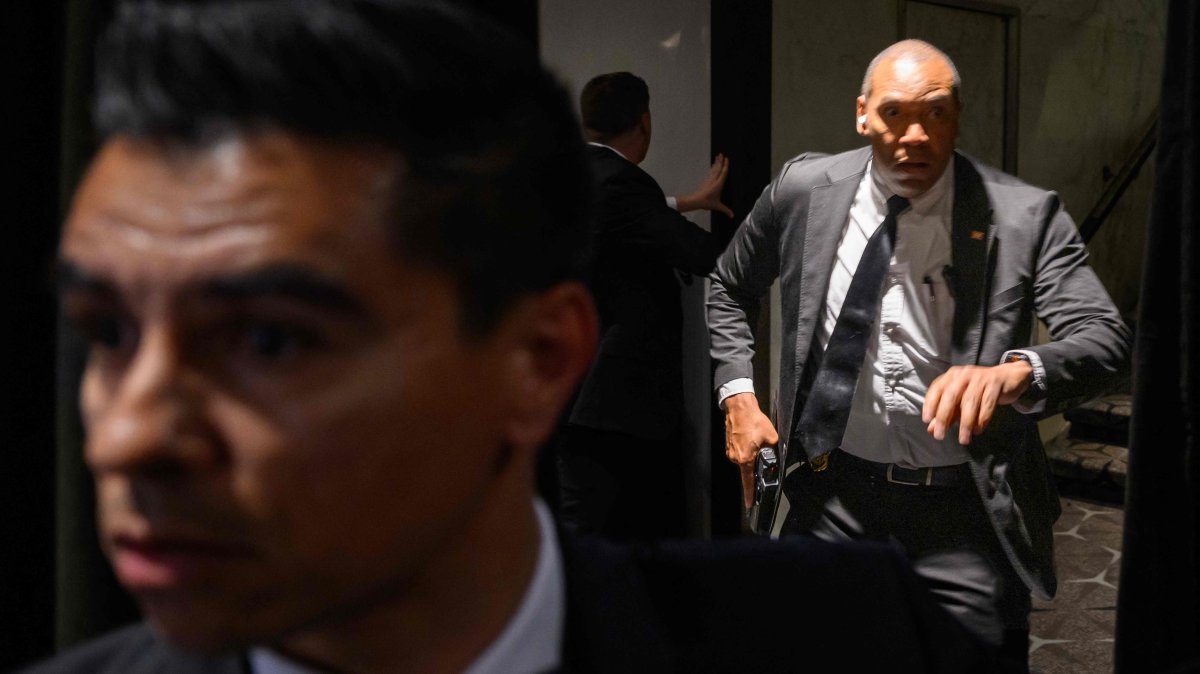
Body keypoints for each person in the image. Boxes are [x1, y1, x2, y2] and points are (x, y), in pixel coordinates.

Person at [28, 5, 994, 672]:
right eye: (108, 334)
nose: (124, 438)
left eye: (271, 342)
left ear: (534, 359)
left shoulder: (845, 638)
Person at [709, 39, 1131, 672]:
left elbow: (1105, 338)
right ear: (862, 114)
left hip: (966, 509)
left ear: (958, 115)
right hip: (835, 494)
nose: (914, 134)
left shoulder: (1022, 216)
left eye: (935, 112)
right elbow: (727, 286)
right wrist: (737, 394)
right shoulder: (804, 190)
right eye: (894, 113)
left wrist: (1021, 371)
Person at [559, 72, 731, 541]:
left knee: (583, 529)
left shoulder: (570, 178)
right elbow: (701, 254)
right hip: (616, 405)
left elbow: (619, 223)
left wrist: (682, 201)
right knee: (617, 534)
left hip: (574, 396)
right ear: (645, 121)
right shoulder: (625, 185)